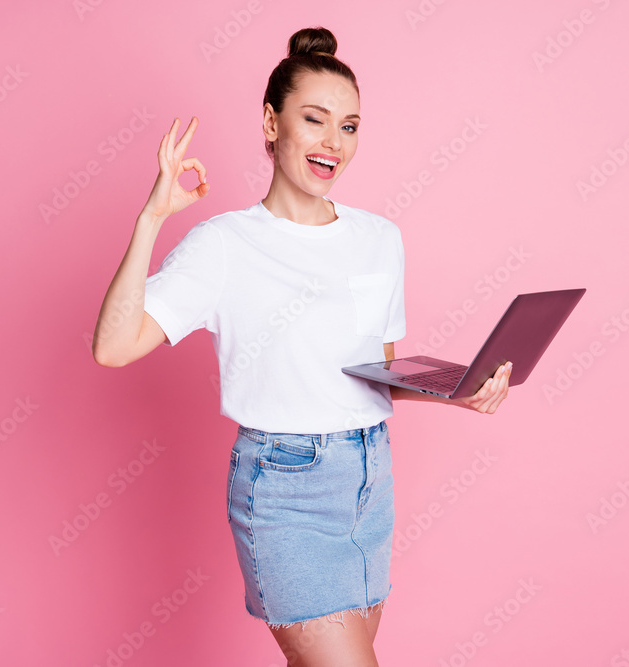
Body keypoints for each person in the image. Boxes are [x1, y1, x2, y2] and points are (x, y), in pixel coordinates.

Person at [92, 26, 513, 667]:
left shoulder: (379, 238)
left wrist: (455, 392)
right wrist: (153, 216)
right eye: (313, 120)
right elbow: (114, 346)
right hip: (285, 488)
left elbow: (378, 369)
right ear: (271, 123)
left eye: (348, 127)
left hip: (370, 480)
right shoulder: (225, 244)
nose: (332, 142)